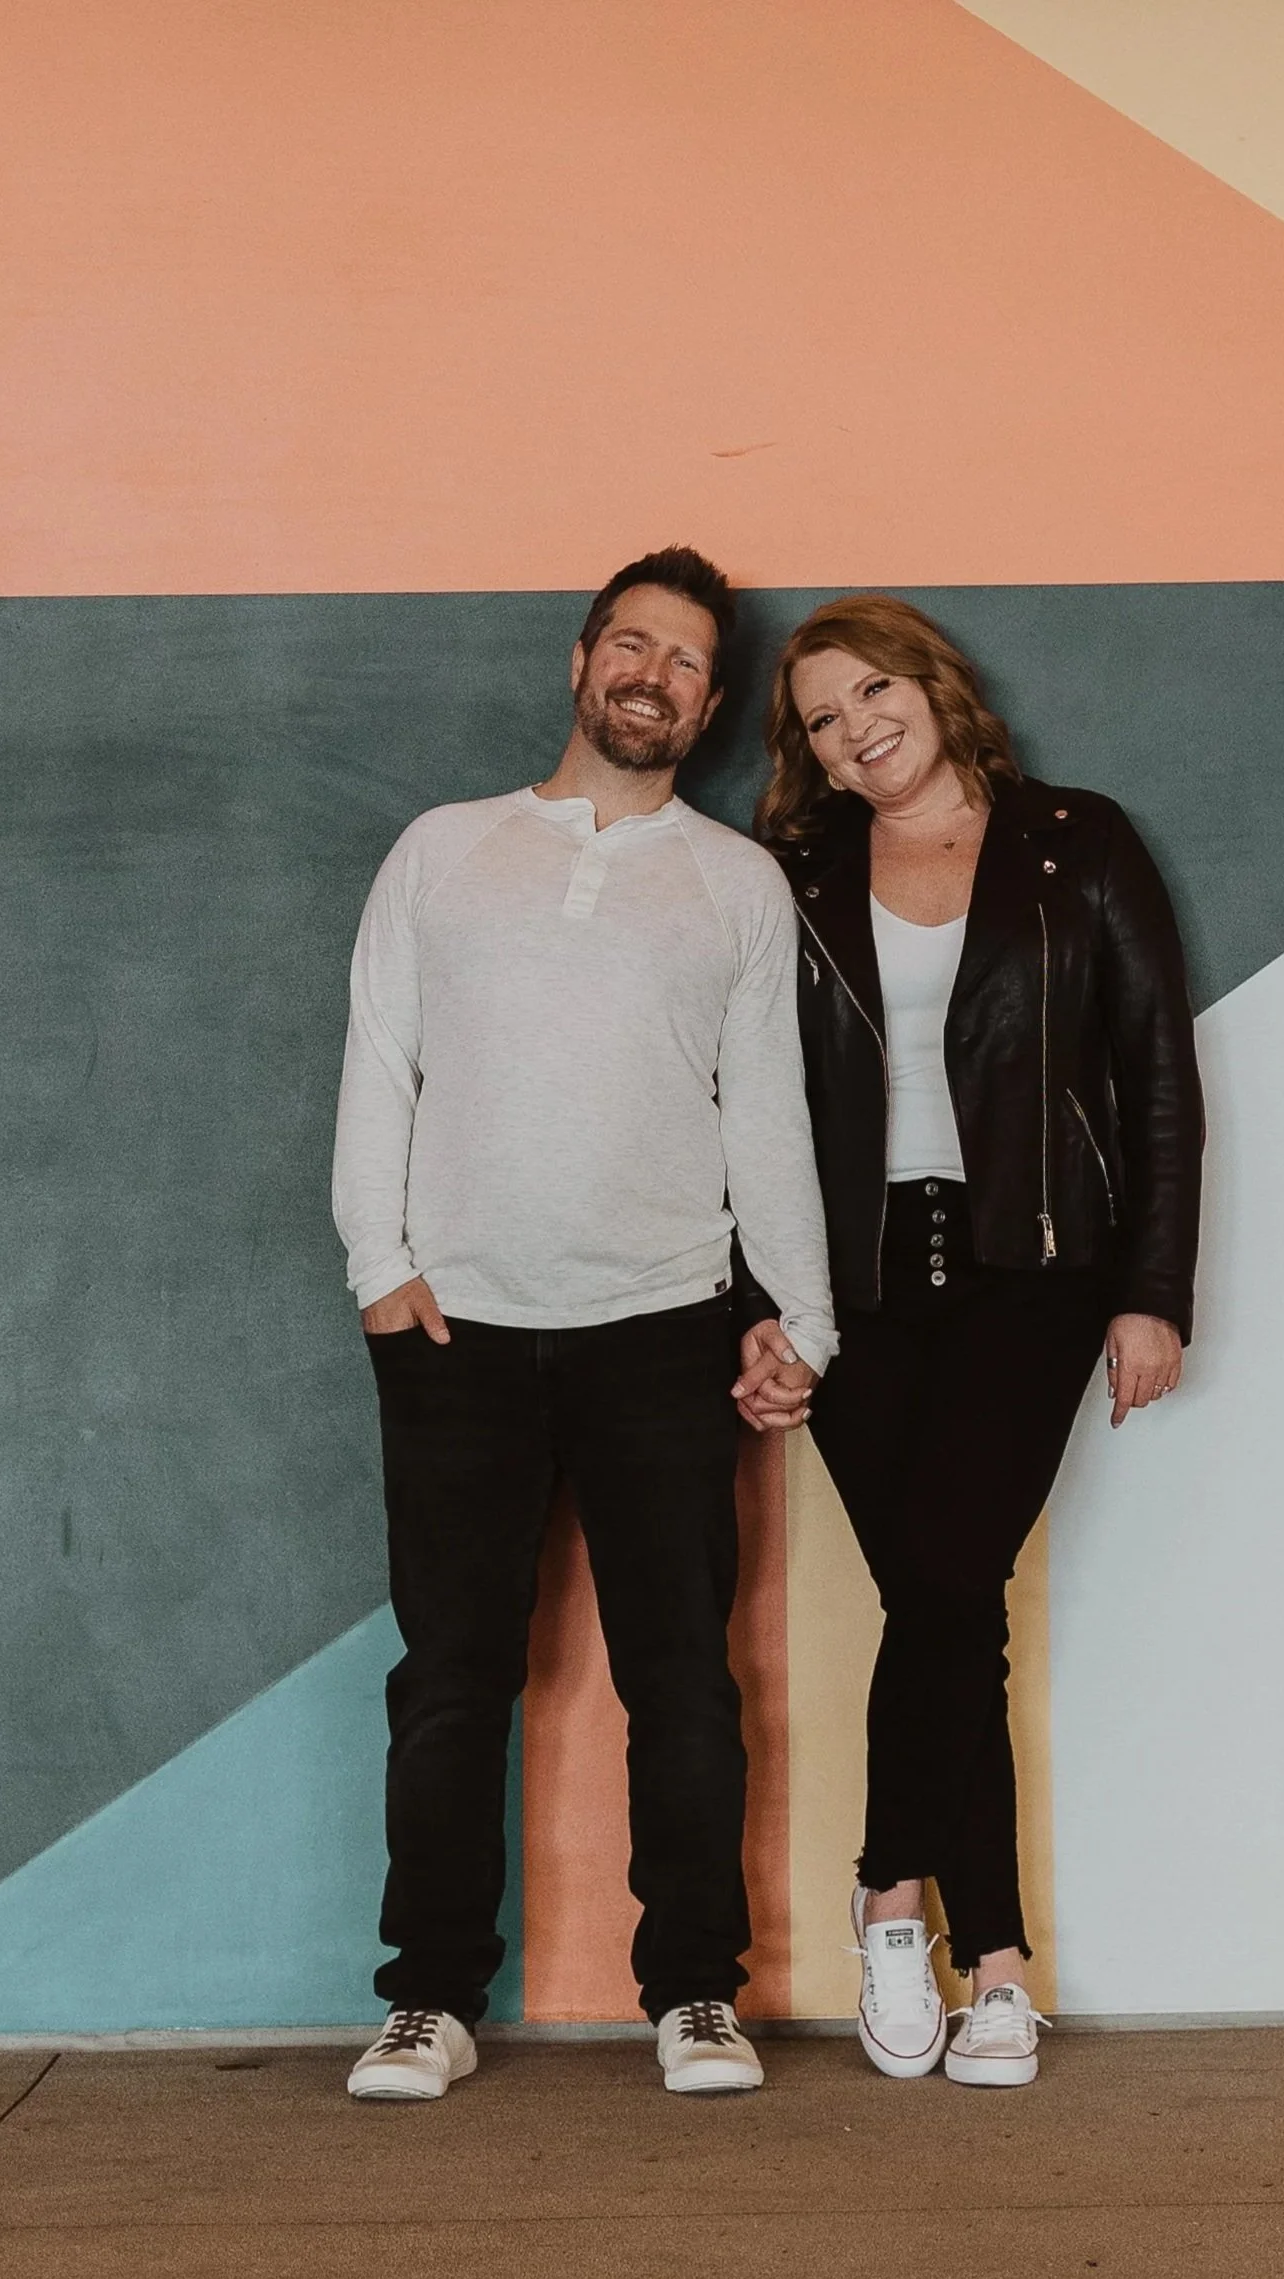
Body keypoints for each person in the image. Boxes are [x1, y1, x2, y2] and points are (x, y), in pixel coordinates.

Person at [332, 547, 835, 2101]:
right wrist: (377, 1263)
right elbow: (379, 1059)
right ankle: (427, 1998)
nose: (653, 676)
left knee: (682, 1675)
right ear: (578, 661)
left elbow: (766, 1115)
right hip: (453, 1331)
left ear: (711, 702)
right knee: (451, 1675)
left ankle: (692, 1995)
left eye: (685, 663)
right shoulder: (441, 851)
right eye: (631, 645)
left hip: (662, 1330)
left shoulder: (735, 884)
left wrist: (802, 1314)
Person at [739, 594, 1203, 2088]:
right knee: (948, 1609)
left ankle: (890, 1901)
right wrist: (761, 1308)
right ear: (807, 751)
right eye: (822, 715)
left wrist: (1152, 1290)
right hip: (852, 1286)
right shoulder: (792, 876)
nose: (858, 723)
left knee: (943, 1585)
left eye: (874, 686)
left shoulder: (1076, 842)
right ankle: (993, 1965)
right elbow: (740, 1108)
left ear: (932, 685)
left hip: (1033, 1268)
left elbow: (1155, 1080)